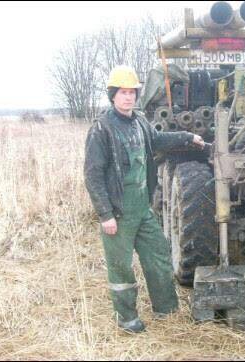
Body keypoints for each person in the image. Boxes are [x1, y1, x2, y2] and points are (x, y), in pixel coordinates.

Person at [84, 65, 205, 333]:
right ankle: (127, 320)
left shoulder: (139, 122)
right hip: (119, 212)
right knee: (121, 268)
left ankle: (166, 309)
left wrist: (188, 137)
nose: (128, 97)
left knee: (159, 255)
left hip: (142, 208)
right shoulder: (101, 129)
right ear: (112, 95)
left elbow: (158, 139)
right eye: (123, 92)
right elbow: (93, 176)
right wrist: (105, 215)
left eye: (132, 92)